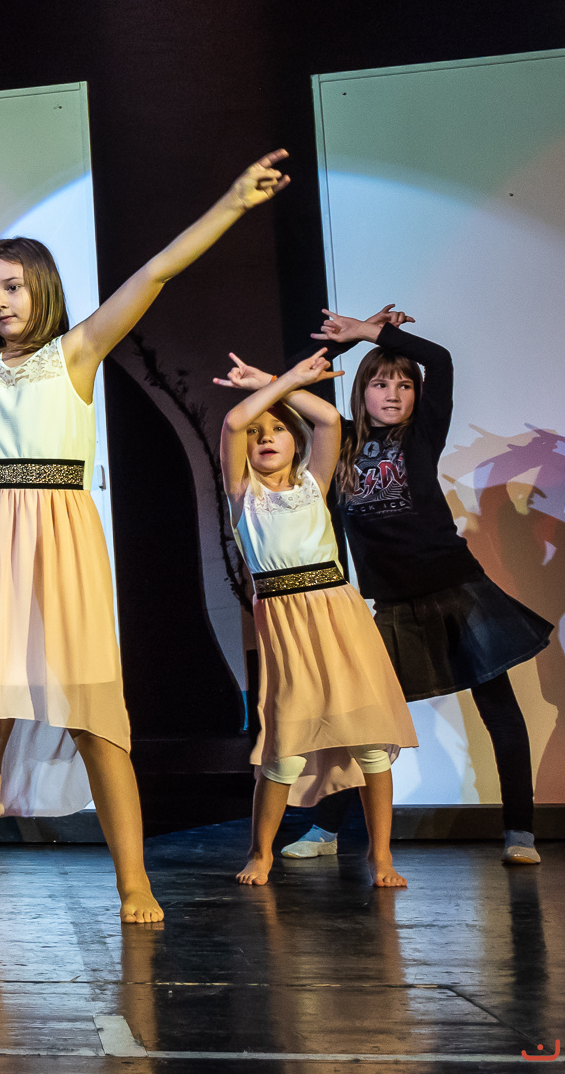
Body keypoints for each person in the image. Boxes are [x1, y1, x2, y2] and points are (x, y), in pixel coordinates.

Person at [0, 150, 291, 922]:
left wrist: (234, 202)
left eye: (13, 286)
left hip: (59, 546)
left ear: (42, 286)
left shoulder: (74, 353)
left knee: (95, 721)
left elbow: (155, 272)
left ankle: (132, 879)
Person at [314, 310, 552, 865]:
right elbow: (294, 384)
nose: (394, 394)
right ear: (361, 391)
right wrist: (348, 339)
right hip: (393, 604)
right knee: (365, 714)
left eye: (404, 385)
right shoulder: (339, 442)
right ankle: (324, 829)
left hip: (456, 591)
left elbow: (439, 360)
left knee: (498, 709)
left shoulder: (420, 436)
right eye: (381, 383)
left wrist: (374, 333)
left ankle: (520, 832)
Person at [215, 350, 416, 888]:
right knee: (284, 751)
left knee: (370, 740)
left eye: (278, 428)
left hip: (339, 618)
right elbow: (233, 422)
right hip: (287, 626)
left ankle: (380, 857)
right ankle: (261, 852)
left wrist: (273, 381)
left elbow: (327, 418)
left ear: (296, 441)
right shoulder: (243, 494)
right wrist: (278, 383)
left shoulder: (313, 483)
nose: (265, 437)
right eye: (258, 433)